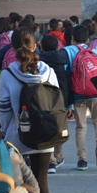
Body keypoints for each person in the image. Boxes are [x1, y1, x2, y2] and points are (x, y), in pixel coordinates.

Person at [0, 27, 59, 193]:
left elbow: (4, 109)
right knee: (42, 181)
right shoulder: (48, 71)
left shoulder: (8, 74)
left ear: (13, 49)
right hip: (45, 135)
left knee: (22, 184)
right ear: (35, 46)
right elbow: (57, 101)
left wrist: (6, 132)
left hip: (18, 136)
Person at [63, 25, 97, 171]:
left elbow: (66, 73)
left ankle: (82, 160)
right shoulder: (94, 52)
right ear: (88, 39)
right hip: (96, 93)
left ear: (72, 38)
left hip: (78, 94)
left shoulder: (69, 51)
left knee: (81, 127)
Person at [39, 35, 71, 174]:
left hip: (44, 99)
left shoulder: (39, 61)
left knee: (46, 129)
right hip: (61, 99)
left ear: (42, 47)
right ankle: (58, 156)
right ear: (57, 46)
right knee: (60, 127)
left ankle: (50, 160)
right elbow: (67, 82)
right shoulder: (63, 60)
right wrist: (69, 104)